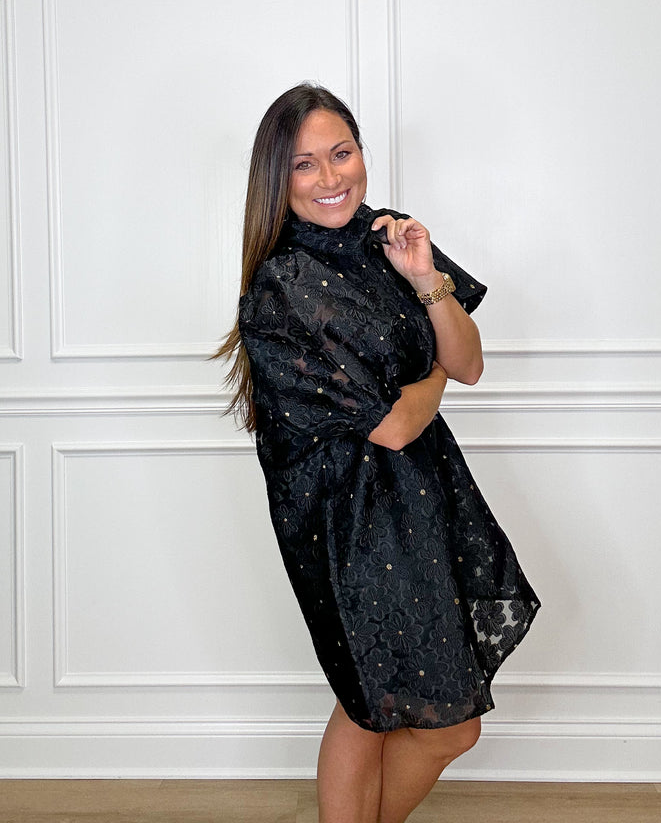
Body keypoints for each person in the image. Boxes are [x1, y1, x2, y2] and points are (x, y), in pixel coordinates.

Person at [216, 83, 540, 823]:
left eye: (341, 154)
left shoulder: (388, 236)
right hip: (351, 523)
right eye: (305, 165)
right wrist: (430, 379)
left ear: (362, 153)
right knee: (419, 714)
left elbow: (469, 361)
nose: (330, 178)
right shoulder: (282, 285)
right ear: (277, 179)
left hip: (421, 498)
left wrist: (425, 278)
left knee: (370, 701)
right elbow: (393, 425)